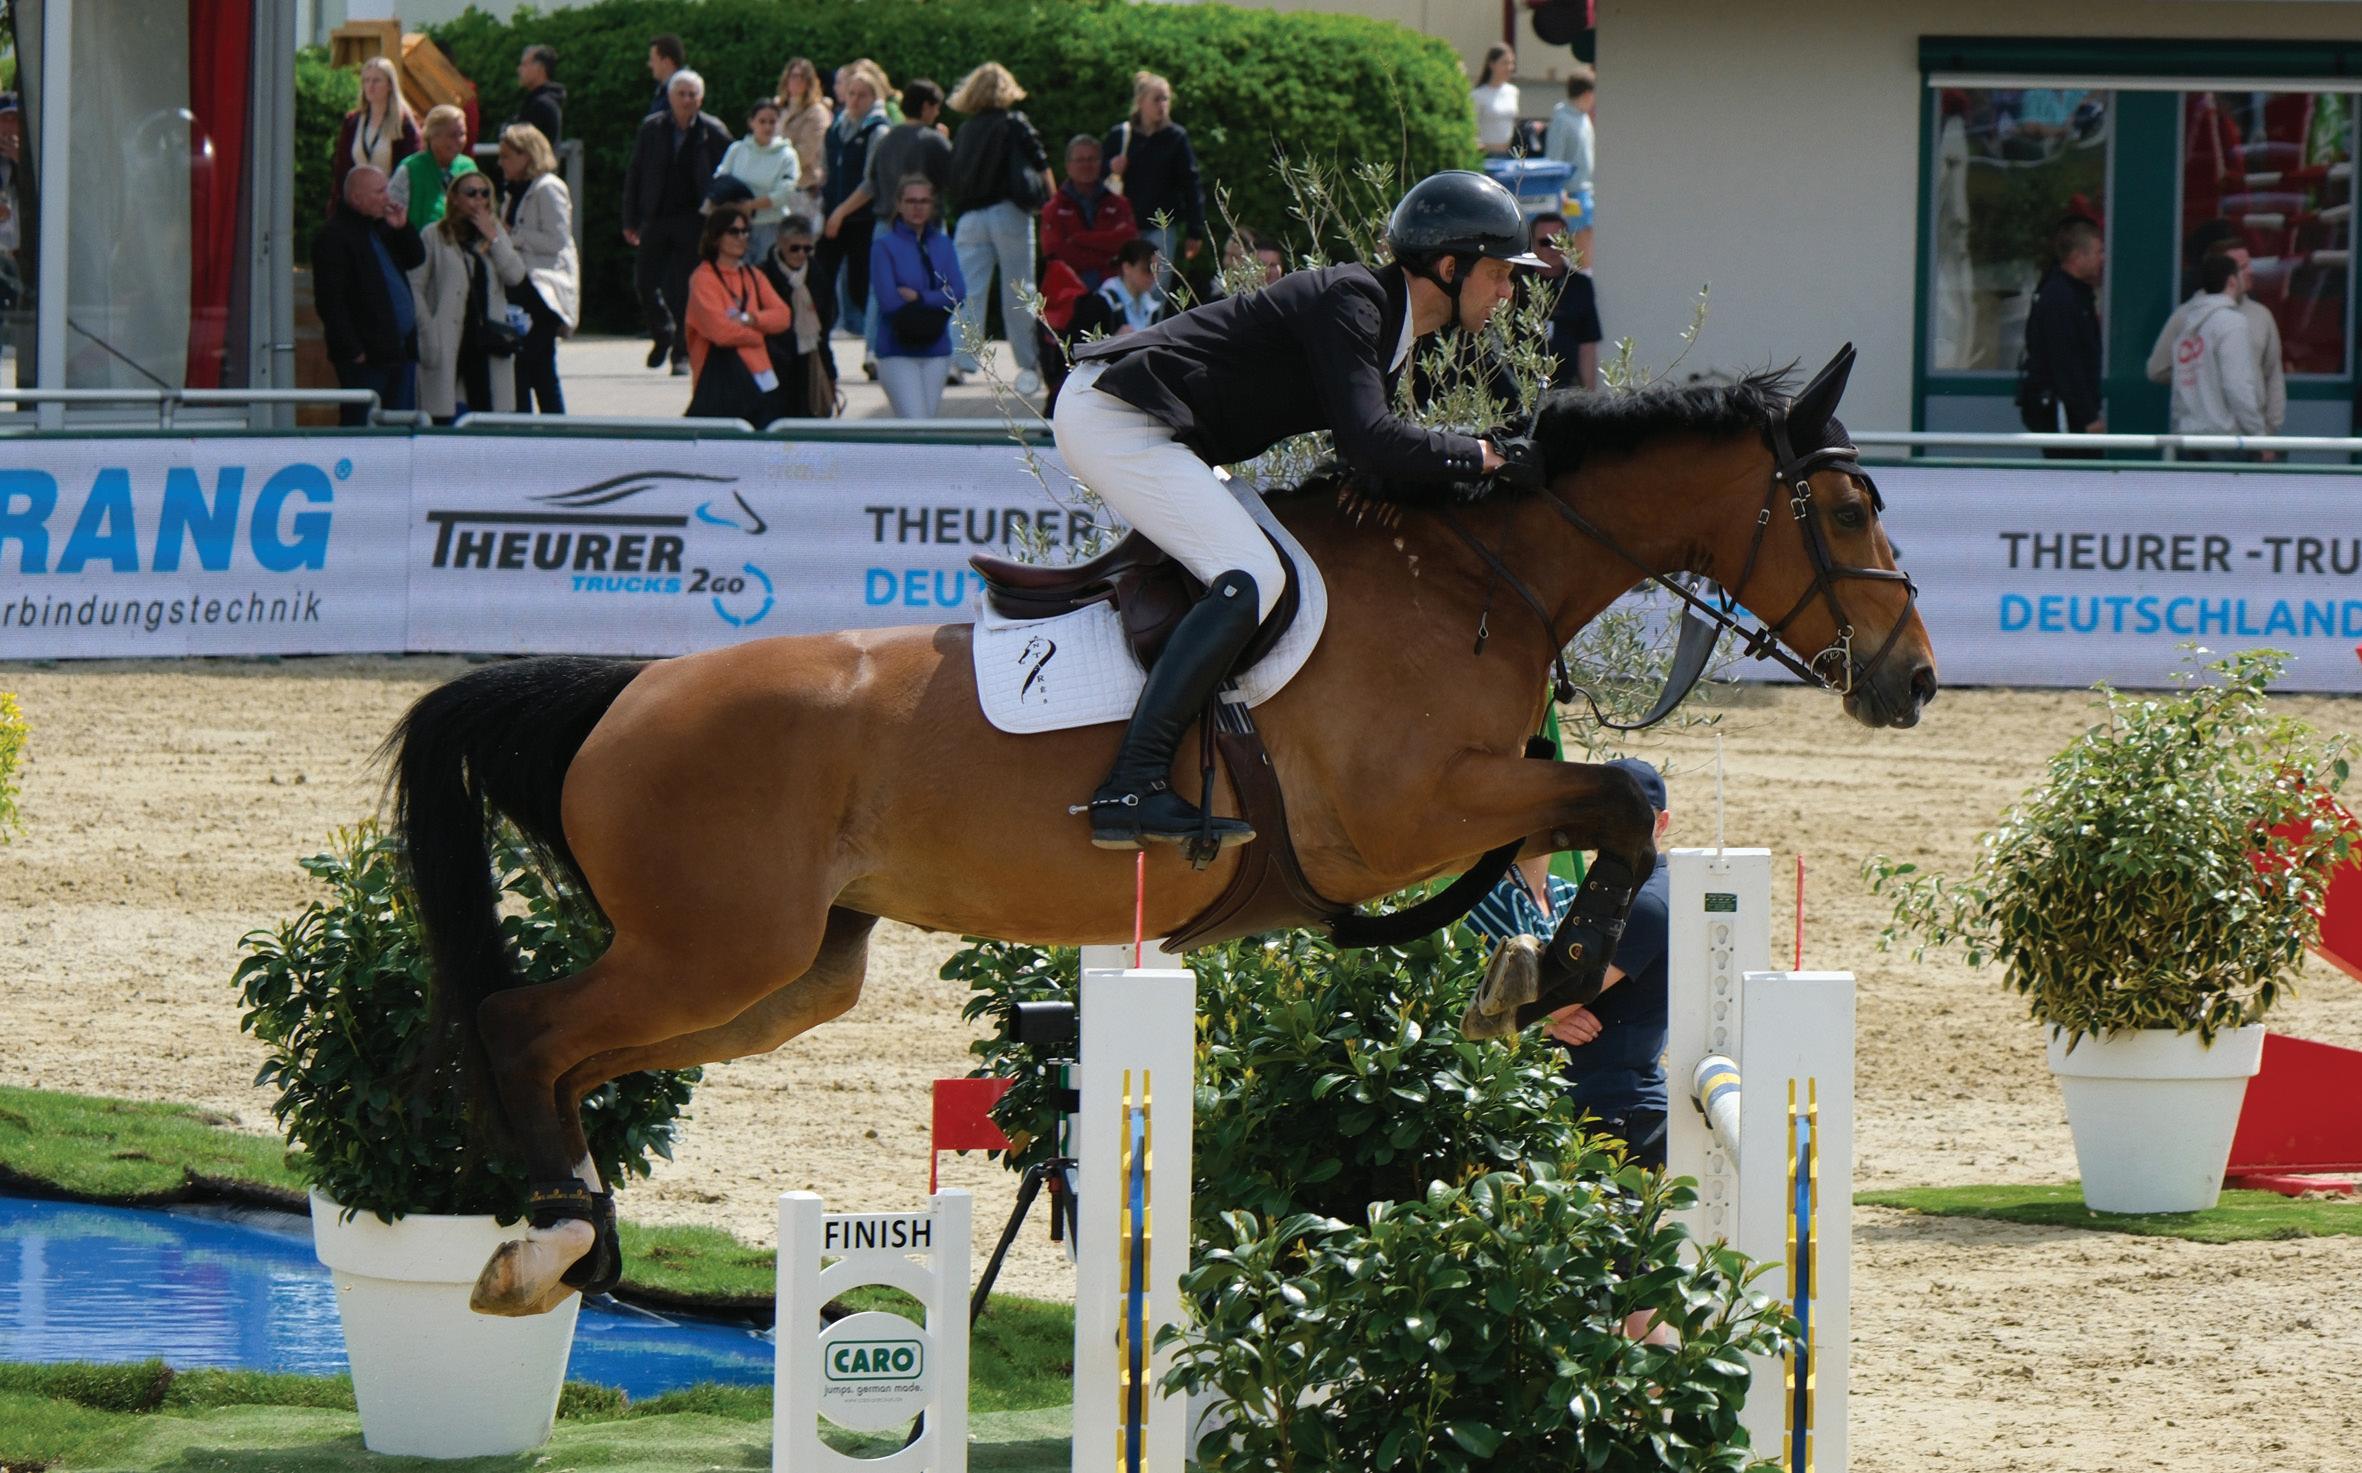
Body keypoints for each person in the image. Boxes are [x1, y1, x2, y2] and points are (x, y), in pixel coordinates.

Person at [1052, 170, 1545, 848]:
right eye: (1499, 273)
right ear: (1449, 267)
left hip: (1153, 426)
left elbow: (1386, 455)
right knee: (1252, 574)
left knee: (1271, 562)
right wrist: (1483, 456)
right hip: (1116, 417)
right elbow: (1370, 443)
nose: (1508, 292)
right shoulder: (1354, 300)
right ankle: (1131, 784)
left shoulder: (1391, 327)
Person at [1468, 759, 1673, 1172]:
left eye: (1630, 816)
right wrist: (1548, 1018)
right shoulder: (1625, 892)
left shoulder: (1645, 903)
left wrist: (1543, 1018)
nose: (1613, 827)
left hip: (1615, 1112)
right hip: (1604, 1103)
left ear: (1662, 823)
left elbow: (1561, 998)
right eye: (1602, 814)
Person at [946, 61, 1051, 390]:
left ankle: (958, 362)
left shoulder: (966, 130)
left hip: (970, 217)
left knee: (968, 293)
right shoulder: (1014, 123)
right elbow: (1040, 162)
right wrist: (1051, 203)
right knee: (1019, 289)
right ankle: (1030, 363)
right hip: (1009, 212)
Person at [623, 69, 732, 376]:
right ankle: (663, 332)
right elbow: (635, 174)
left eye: (692, 95)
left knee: (687, 288)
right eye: (681, 94)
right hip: (656, 215)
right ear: (670, 97)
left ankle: (682, 353)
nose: (686, 100)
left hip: (694, 219)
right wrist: (630, 218)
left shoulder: (713, 131)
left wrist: (719, 213)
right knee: (644, 282)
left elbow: (729, 172)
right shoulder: (652, 128)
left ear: (701, 98)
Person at [311, 165, 423, 425]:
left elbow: (415, 258)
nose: (387, 198)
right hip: (368, 355)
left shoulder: (381, 228)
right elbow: (330, 301)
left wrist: (402, 228)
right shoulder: (334, 236)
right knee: (363, 425)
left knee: (398, 426)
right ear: (357, 198)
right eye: (380, 192)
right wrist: (353, 350)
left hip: (399, 350)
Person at [416, 172, 527, 424]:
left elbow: (515, 275)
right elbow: (415, 287)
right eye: (471, 193)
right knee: (446, 416)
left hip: (485, 342)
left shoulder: (494, 234)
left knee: (488, 415)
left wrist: (494, 238)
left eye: (484, 193)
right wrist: (428, 330)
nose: (479, 199)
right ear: (455, 198)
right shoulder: (433, 235)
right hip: (449, 341)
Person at [2144, 252, 2266, 456]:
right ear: (2232, 281)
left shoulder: (2186, 322)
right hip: (2224, 441)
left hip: (2186, 438)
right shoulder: (2231, 323)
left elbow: (2160, 371)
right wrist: (2258, 436)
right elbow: (2237, 386)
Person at [869, 175, 967, 419]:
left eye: (924, 201)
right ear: (899, 204)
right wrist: (937, 297)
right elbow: (888, 301)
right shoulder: (884, 246)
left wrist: (920, 297)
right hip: (896, 350)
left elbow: (958, 294)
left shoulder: (943, 244)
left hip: (937, 349)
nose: (917, 207)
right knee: (914, 420)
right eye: (911, 201)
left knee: (927, 423)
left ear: (932, 205)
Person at [685, 206, 793, 423]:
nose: (741, 237)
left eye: (745, 232)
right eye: (734, 232)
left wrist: (750, 319)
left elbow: (784, 316)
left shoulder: (753, 275)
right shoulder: (703, 279)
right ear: (716, 237)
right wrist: (757, 335)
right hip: (719, 381)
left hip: (761, 378)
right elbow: (720, 333)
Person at [498, 123, 577, 414]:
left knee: (530, 365)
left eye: (506, 156)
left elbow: (557, 241)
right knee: (537, 369)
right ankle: (546, 427)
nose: (501, 163)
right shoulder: (513, 192)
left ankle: (540, 428)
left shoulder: (549, 188)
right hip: (521, 288)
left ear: (526, 156)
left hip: (544, 291)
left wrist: (513, 236)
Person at [1104, 72, 1204, 293]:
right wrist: (1111, 167)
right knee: (1122, 284)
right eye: (1157, 99)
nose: (1163, 105)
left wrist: (1195, 229)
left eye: (1166, 99)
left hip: (1162, 226)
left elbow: (1191, 184)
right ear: (1140, 102)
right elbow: (1098, 178)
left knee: (1156, 287)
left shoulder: (1176, 138)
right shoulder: (1121, 136)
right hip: (1124, 224)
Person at [817, 61, 892, 355]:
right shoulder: (836, 129)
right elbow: (826, 169)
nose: (855, 100)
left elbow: (870, 182)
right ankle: (818, 348)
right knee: (821, 280)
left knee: (863, 287)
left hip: (862, 220)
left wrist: (841, 212)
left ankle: (875, 349)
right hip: (833, 217)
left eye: (862, 94)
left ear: (874, 97)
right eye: (851, 93)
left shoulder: (879, 130)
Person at [2019, 216, 2105, 459]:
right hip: (2063, 411)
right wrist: (2088, 417)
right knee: (2072, 470)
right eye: (2098, 252)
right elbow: (2066, 362)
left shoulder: (2075, 294)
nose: (2103, 259)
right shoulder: (2060, 298)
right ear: (2078, 256)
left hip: (2069, 408)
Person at [757, 215, 837, 417]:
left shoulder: (818, 277)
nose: (801, 254)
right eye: (795, 248)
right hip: (773, 365)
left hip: (809, 362)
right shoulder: (761, 275)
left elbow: (824, 332)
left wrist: (830, 374)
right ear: (780, 242)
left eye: (807, 248)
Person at [1042, 134, 1137, 290]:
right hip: (1069, 289)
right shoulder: (1054, 208)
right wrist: (1106, 256)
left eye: (1092, 159)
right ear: (1068, 165)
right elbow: (1056, 253)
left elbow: (1128, 243)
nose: (1086, 165)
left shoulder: (1119, 204)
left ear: (1100, 164)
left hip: (1112, 286)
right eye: (1080, 160)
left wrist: (1080, 239)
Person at [857, 79, 953, 230]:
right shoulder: (934, 140)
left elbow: (872, 181)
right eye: (936, 107)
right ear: (926, 106)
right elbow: (954, 179)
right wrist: (945, 142)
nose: (937, 113)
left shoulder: (886, 140)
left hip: (887, 225)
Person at [331, 57, 419, 220]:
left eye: (376, 81)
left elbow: (409, 170)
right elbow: (341, 168)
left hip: (389, 208)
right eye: (366, 80)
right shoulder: (353, 122)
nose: (370, 86)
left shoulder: (404, 124)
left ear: (390, 85)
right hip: (356, 208)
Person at [719, 97, 800, 264]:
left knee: (766, 273)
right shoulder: (737, 150)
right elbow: (721, 180)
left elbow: (785, 193)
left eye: (772, 122)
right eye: (762, 121)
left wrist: (751, 205)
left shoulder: (787, 155)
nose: (767, 127)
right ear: (751, 122)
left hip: (771, 225)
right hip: (737, 225)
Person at [1526, 213, 1600, 391]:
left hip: (1565, 389)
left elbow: (1587, 344)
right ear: (1533, 244)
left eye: (1558, 241)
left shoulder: (1580, 285)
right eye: (1545, 242)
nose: (1553, 248)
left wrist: (1589, 395)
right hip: (1522, 387)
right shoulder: (1516, 283)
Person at [388, 104, 475, 229]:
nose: (459, 141)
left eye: (462, 134)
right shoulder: (410, 169)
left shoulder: (468, 167)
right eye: (452, 135)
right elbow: (392, 213)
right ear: (432, 136)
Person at [1542, 64, 1595, 255]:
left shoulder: (1584, 118)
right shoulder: (1562, 119)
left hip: (1587, 190)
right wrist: (1559, 189)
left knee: (1589, 241)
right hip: (1571, 193)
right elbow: (1554, 158)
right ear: (1587, 94)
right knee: (1580, 245)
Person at [777, 57, 834, 222]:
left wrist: (773, 162)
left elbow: (804, 155)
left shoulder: (817, 113)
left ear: (810, 82)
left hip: (804, 189)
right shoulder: (779, 108)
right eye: (793, 76)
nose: (796, 81)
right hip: (778, 188)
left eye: (802, 77)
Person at [1095, 238, 1165, 333]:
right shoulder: (1100, 302)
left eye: (1157, 270)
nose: (1154, 276)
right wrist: (1113, 339)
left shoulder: (1152, 306)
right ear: (1127, 267)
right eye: (1147, 269)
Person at [1471, 44, 1520, 157]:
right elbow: (1472, 126)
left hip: (1511, 154)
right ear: (1492, 64)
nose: (1509, 68)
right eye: (1504, 63)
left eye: (1511, 63)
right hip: (1488, 155)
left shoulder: (1513, 91)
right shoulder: (1478, 95)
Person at [512, 44, 564, 147]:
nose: (519, 69)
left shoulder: (541, 105)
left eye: (524, 64)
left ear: (540, 68)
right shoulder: (542, 101)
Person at [645, 34, 685, 117]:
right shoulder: (663, 91)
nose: (649, 65)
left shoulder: (681, 94)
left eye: (652, 60)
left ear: (666, 62)